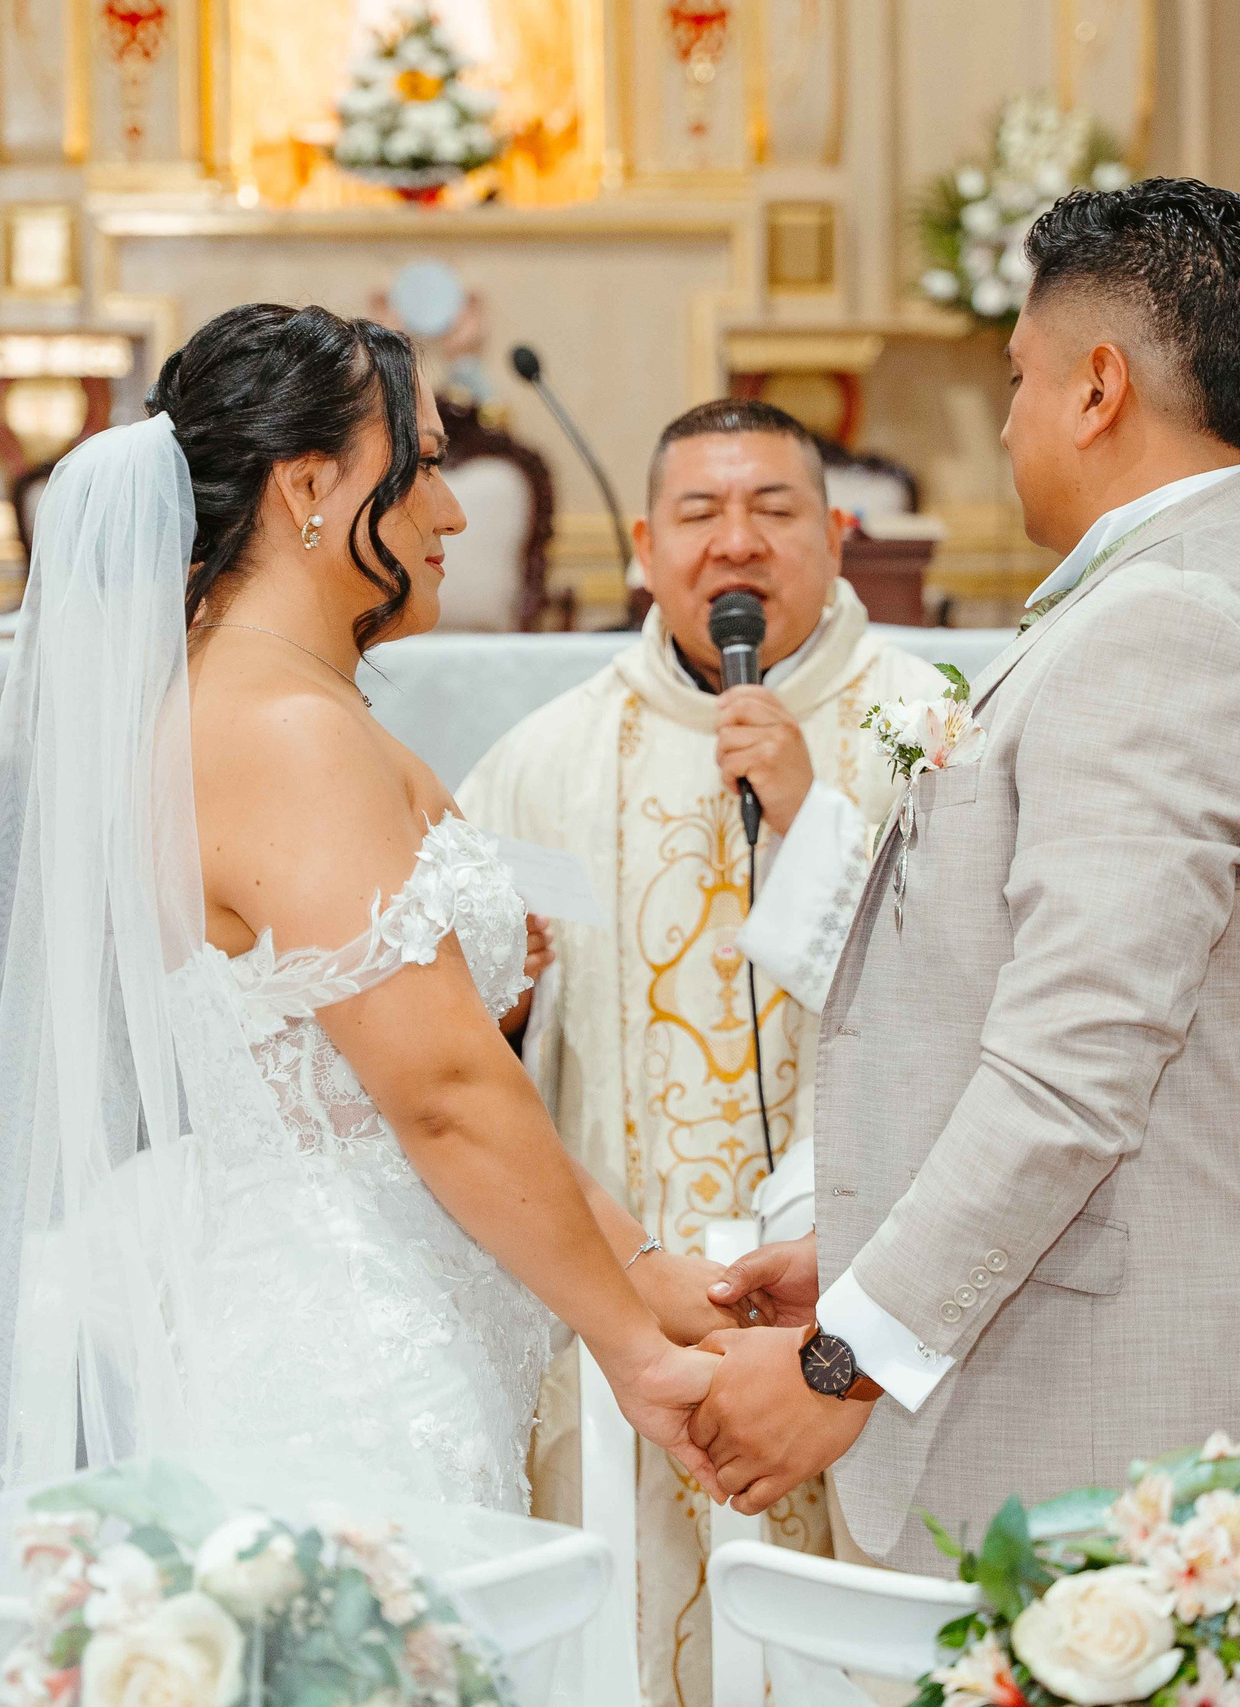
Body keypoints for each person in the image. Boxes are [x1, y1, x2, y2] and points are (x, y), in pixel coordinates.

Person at [0, 303, 727, 1522]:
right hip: (350, 1374)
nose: (453, 509)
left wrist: (647, 1276)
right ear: (310, 485)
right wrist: (634, 1350)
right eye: (425, 464)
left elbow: (408, 1082)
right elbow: (439, 1098)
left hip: (386, 1317)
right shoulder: (283, 734)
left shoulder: (264, 704)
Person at [700, 178, 1240, 1563]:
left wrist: (849, 1353)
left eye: (1017, 379)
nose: (1009, 422)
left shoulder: (1168, 628)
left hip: (1145, 1399)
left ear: (1098, 388)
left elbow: (1074, 1066)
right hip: (1139, 1343)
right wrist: (868, 1250)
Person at [456, 397, 947, 1704]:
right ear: (641, 546)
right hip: (647, 1313)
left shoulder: (941, 727)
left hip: (869, 1314)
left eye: (774, 510)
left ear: (838, 534)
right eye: (700, 513)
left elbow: (993, 998)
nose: (737, 543)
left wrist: (809, 809)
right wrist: (510, 994)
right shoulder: (540, 764)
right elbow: (464, 1039)